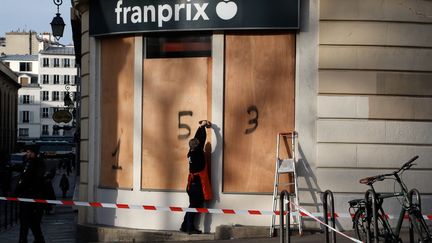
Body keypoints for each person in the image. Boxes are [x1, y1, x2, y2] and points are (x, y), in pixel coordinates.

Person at [180, 120, 213, 234]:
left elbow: (196, 140)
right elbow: (202, 140)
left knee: (191, 206)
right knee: (194, 207)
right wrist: (203, 128)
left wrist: (201, 127)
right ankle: (189, 228)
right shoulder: (198, 153)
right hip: (196, 185)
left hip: (191, 185)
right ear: (198, 146)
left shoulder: (191, 152)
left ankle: (184, 226)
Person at [15, 144, 46, 243]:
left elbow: (30, 179)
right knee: (31, 220)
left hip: (32, 196)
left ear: (33, 153)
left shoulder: (37, 163)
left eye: (28, 152)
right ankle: (38, 239)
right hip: (28, 196)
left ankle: (25, 240)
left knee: (27, 220)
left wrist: (18, 190)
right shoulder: (28, 162)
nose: (27, 153)